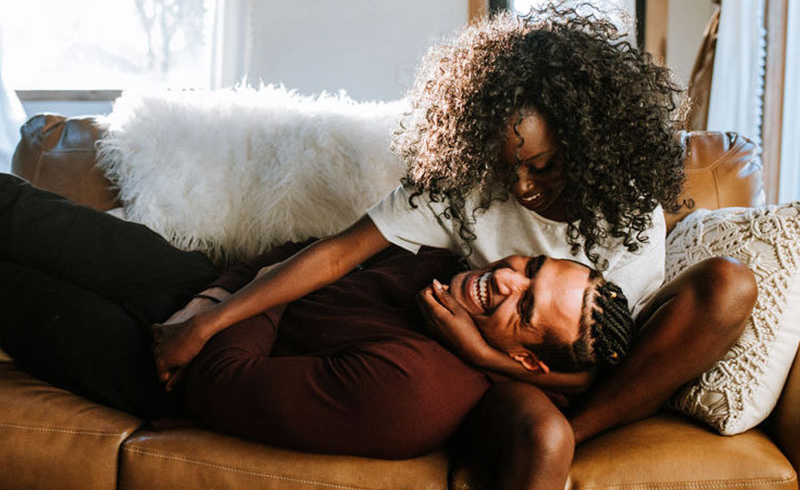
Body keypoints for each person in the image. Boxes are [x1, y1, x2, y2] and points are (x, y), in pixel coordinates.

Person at [152, 0, 757, 490]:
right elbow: (338, 252)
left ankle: (580, 432)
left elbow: (602, 364)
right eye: (508, 166)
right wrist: (209, 321)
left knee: (729, 284)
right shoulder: (463, 185)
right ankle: (557, 430)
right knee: (544, 437)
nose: (521, 187)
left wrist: (485, 353)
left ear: (587, 144)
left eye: (542, 167)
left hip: (547, 365)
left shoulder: (624, 213)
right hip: (488, 364)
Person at [0, 173, 632, 464]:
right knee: (15, 204)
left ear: (526, 361)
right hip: (194, 290)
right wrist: (213, 301)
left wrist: (234, 311)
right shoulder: (444, 272)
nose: (506, 278)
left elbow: (222, 383)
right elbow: (296, 253)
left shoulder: (413, 392)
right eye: (531, 268)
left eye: (524, 308)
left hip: (162, 370)